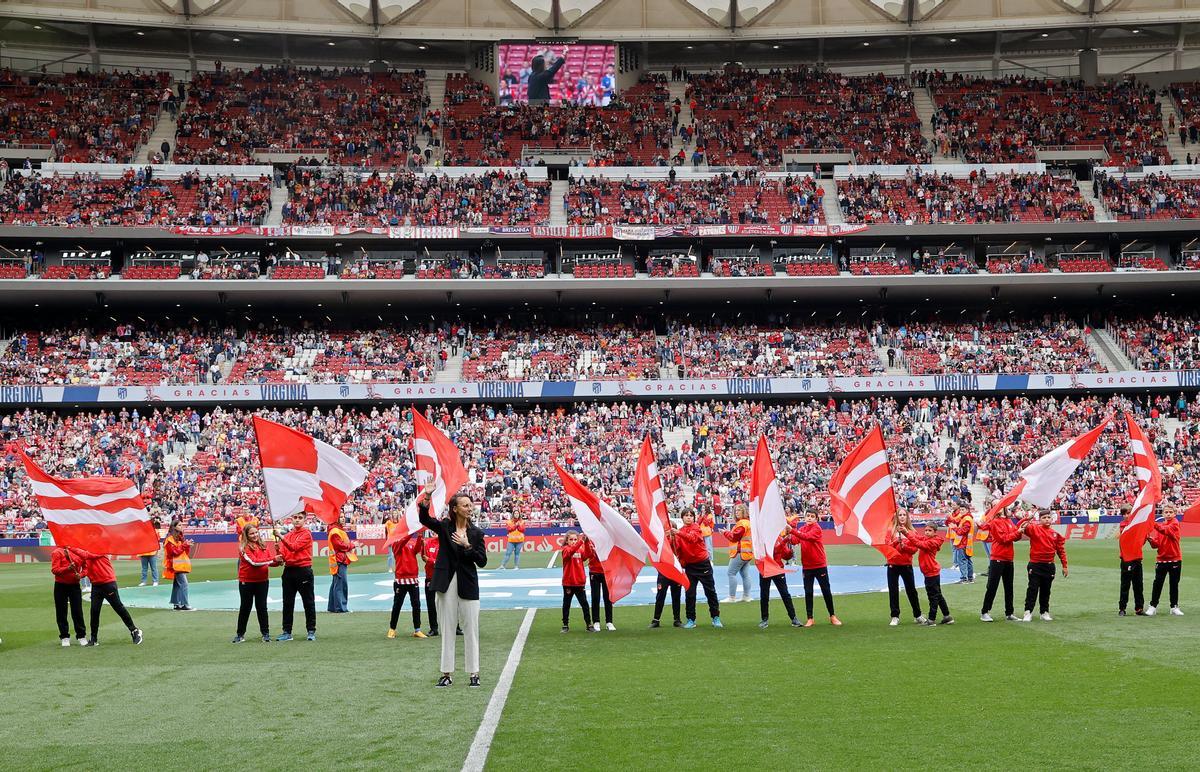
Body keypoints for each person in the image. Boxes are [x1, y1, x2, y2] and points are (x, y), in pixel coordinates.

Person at [417, 481, 487, 689]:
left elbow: (482, 561)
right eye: (465, 505)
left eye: (470, 504)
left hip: (468, 583)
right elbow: (424, 518)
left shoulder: (476, 533)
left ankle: (474, 673)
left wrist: (467, 546)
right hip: (446, 582)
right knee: (447, 629)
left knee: (471, 629)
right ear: (455, 509)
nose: (469, 508)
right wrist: (427, 497)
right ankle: (446, 673)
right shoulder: (445, 526)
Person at [70, 546, 143, 646]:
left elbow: (86, 555)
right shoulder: (86, 554)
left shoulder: (100, 549)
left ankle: (134, 630)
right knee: (94, 611)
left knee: (118, 608)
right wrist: (81, 575)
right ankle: (94, 638)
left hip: (108, 583)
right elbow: (86, 569)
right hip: (96, 585)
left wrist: (70, 548)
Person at [672, 509, 722, 628]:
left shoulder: (696, 528)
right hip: (690, 566)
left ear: (694, 518)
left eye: (691, 515)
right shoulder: (680, 532)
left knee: (710, 592)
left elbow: (692, 538)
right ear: (682, 518)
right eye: (686, 515)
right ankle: (690, 619)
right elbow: (677, 549)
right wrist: (671, 540)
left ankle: (715, 617)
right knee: (690, 594)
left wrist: (677, 533)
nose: (689, 517)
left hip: (703, 564)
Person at [233, 523, 279, 643]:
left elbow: (269, 562)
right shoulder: (244, 548)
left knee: (262, 607)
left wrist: (278, 561)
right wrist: (273, 559)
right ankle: (240, 634)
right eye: (251, 533)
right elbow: (254, 562)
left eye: (256, 532)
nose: (254, 535)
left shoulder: (264, 545)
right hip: (247, 581)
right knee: (245, 608)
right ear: (246, 535)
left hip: (262, 581)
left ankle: (265, 634)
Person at [274, 513, 317, 641]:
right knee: (287, 603)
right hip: (289, 570)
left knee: (308, 602)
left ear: (304, 520)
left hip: (303, 570)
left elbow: (294, 548)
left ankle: (311, 631)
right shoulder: (288, 535)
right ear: (291, 519)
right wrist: (278, 551)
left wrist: (280, 537)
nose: (297, 520)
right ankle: (287, 631)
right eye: (295, 518)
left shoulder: (306, 534)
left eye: (300, 518)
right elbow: (284, 557)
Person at [1020, 510, 1068, 622]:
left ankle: (1044, 612)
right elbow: (1020, 526)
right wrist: (1027, 519)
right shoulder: (1034, 529)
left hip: (1049, 565)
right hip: (1035, 564)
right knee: (1032, 589)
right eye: (1044, 517)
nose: (1047, 519)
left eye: (1048, 517)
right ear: (1039, 519)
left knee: (1046, 590)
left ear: (1051, 519)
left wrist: (1064, 565)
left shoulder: (1056, 534)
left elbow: (1061, 551)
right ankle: (1028, 612)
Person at [795, 511, 840, 626]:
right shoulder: (803, 529)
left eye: (812, 517)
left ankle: (832, 615)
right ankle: (810, 618)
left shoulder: (817, 529)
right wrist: (788, 531)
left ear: (816, 519)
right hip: (807, 566)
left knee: (826, 591)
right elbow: (795, 540)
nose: (809, 518)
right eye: (808, 516)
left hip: (819, 565)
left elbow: (806, 537)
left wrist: (792, 531)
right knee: (808, 592)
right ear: (805, 517)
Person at [980, 509, 1021, 622]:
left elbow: (1016, 537)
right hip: (998, 557)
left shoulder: (1008, 521)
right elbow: (1003, 538)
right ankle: (985, 611)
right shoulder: (995, 522)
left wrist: (1020, 529)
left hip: (1008, 557)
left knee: (1009, 587)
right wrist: (1017, 532)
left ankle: (1009, 612)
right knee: (992, 586)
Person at [908, 522, 953, 625]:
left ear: (935, 532)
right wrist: (907, 531)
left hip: (931, 572)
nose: (927, 532)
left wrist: (907, 533)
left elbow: (919, 543)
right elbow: (918, 538)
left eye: (930, 531)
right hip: (931, 572)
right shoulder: (928, 539)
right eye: (926, 530)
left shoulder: (932, 542)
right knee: (938, 595)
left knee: (932, 596)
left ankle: (931, 619)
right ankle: (947, 616)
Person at [886, 514, 927, 626]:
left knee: (912, 591)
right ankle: (895, 616)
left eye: (904, 515)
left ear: (907, 517)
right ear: (896, 517)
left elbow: (914, 549)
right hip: (892, 565)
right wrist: (896, 542)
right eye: (900, 515)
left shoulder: (912, 532)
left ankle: (917, 615)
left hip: (906, 564)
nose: (902, 517)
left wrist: (905, 547)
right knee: (893, 591)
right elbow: (886, 547)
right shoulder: (890, 531)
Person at [759, 526, 801, 628]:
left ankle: (794, 618)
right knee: (765, 595)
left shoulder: (779, 538)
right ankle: (764, 619)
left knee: (785, 594)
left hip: (778, 569)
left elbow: (785, 555)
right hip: (766, 569)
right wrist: (785, 541)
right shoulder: (762, 540)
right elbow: (772, 551)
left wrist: (790, 552)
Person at [388, 532, 427, 639]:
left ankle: (417, 630)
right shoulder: (396, 544)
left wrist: (419, 537)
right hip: (401, 580)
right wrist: (410, 533)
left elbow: (416, 550)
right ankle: (392, 629)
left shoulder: (410, 542)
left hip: (413, 578)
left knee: (416, 605)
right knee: (397, 605)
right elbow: (402, 542)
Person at [1146, 505, 1183, 616]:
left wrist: (1152, 523)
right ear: (1162, 514)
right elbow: (1156, 544)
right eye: (1166, 512)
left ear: (1174, 514)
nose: (1168, 514)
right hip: (1161, 560)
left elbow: (1166, 531)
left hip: (1175, 559)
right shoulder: (1161, 526)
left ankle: (1174, 607)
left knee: (1174, 584)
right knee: (1157, 584)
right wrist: (1150, 539)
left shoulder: (1175, 524)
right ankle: (1153, 606)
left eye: (1170, 512)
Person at [50, 545, 87, 646]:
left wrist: (81, 575)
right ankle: (64, 636)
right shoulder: (57, 552)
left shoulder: (80, 552)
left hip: (75, 585)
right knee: (61, 611)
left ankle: (81, 636)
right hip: (60, 585)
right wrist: (68, 568)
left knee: (77, 611)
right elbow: (54, 570)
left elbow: (86, 568)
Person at [560, 531, 594, 633]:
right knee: (566, 604)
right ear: (567, 541)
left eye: (575, 539)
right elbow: (570, 552)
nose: (573, 541)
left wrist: (587, 542)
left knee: (584, 604)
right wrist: (580, 542)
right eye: (571, 539)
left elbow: (587, 555)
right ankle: (565, 624)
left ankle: (588, 624)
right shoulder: (565, 549)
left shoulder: (579, 549)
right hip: (568, 583)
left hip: (579, 582)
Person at [1117, 504, 1146, 616]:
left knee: (1138, 585)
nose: (1127, 516)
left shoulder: (1138, 525)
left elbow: (1141, 542)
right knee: (1125, 585)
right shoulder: (1124, 525)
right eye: (1125, 513)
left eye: (1129, 513)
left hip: (1137, 558)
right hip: (1126, 559)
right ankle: (1122, 608)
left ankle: (1139, 608)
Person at [723, 505, 755, 603]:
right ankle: (746, 596)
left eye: (739, 510)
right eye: (736, 510)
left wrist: (725, 533)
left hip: (740, 552)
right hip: (747, 553)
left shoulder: (741, 524)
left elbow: (734, 537)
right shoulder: (748, 523)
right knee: (745, 574)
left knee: (731, 573)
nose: (736, 512)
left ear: (744, 511)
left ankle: (732, 597)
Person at [582, 535, 614, 631]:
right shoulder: (591, 540)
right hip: (594, 572)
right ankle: (596, 621)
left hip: (607, 571)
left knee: (607, 597)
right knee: (595, 597)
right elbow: (586, 556)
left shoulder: (608, 539)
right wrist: (586, 542)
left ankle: (609, 622)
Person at [326, 517, 356, 613]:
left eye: (343, 517)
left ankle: (332, 606)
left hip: (338, 559)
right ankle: (340, 607)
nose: (343, 519)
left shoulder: (336, 530)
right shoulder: (335, 531)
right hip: (339, 560)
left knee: (336, 584)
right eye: (341, 517)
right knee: (341, 584)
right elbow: (340, 545)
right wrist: (352, 545)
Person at [162, 523, 193, 611]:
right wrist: (184, 545)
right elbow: (174, 552)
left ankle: (176, 604)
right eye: (179, 525)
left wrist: (187, 545)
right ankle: (184, 604)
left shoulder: (179, 539)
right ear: (174, 527)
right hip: (175, 565)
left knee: (177, 585)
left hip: (179, 565)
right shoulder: (169, 540)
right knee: (184, 584)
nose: (181, 526)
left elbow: (184, 552)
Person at [421, 529, 441, 636]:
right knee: (431, 603)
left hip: (443, 577)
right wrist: (423, 547)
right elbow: (424, 558)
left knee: (450, 602)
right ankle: (434, 628)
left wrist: (431, 560)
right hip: (430, 576)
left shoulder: (447, 543)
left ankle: (455, 627)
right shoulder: (429, 542)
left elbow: (443, 561)